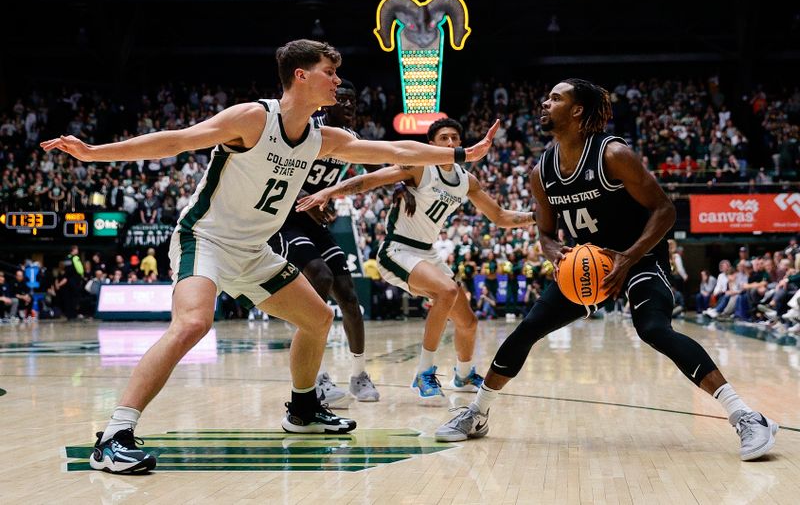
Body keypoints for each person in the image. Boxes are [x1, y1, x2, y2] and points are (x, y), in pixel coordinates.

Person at [41, 38, 498, 474]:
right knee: (194, 323)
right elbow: (177, 140)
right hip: (207, 239)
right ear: (300, 76)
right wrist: (95, 153)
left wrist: (459, 152)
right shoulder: (253, 119)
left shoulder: (323, 137)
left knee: (318, 319)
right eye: (330, 72)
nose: (338, 80)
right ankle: (114, 436)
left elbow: (395, 149)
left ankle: (302, 410)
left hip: (254, 250)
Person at [434, 79, 779, 462]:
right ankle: (477, 413)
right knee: (528, 328)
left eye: (555, 98)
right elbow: (546, 233)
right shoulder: (541, 172)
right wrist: (552, 252)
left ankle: (747, 416)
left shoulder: (612, 154)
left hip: (640, 259)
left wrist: (628, 258)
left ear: (577, 111)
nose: (545, 104)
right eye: (547, 97)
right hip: (589, 268)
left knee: (653, 329)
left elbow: (664, 210)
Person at [297, 117, 533, 404]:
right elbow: (370, 180)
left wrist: (538, 217)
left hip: (428, 253)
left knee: (468, 323)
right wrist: (329, 191)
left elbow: (500, 217)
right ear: (431, 144)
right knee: (445, 291)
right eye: (443, 138)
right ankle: (424, 374)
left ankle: (464, 373)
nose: (449, 143)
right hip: (398, 250)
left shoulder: (466, 180)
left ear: (460, 143)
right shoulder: (420, 168)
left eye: (454, 138)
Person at [267, 79, 379, 405]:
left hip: (314, 218)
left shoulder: (351, 139)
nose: (349, 106)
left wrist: (400, 185)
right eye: (342, 100)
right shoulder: (307, 128)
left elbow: (373, 169)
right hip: (285, 218)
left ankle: (359, 375)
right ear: (328, 104)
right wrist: (309, 199)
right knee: (321, 276)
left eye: (353, 103)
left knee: (348, 295)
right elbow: (280, 171)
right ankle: (315, 377)